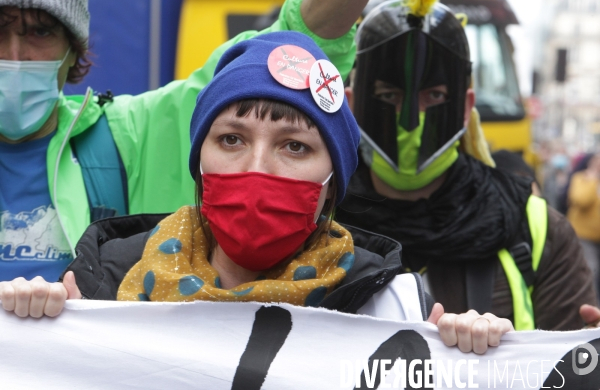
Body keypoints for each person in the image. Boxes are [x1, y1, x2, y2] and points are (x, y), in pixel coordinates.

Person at [0, 32, 513, 354]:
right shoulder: (102, 281)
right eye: (231, 140)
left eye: (294, 146)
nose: (257, 169)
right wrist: (30, 331)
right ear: (199, 161)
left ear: (332, 180)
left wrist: (470, 358)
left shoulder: (391, 307)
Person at [0, 0, 372, 282]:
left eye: (40, 31)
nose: (15, 55)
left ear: (72, 48)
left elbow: (291, 47)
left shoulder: (127, 135)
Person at [335, 0, 596, 331]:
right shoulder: (317, 222)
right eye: (389, 97)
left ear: (463, 107)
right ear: (352, 104)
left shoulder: (533, 228)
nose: (412, 121)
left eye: (435, 96)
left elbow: (564, 370)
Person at [567, 153, 600, 298]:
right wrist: (592, 180)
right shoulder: (581, 178)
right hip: (584, 236)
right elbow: (581, 200)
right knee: (591, 270)